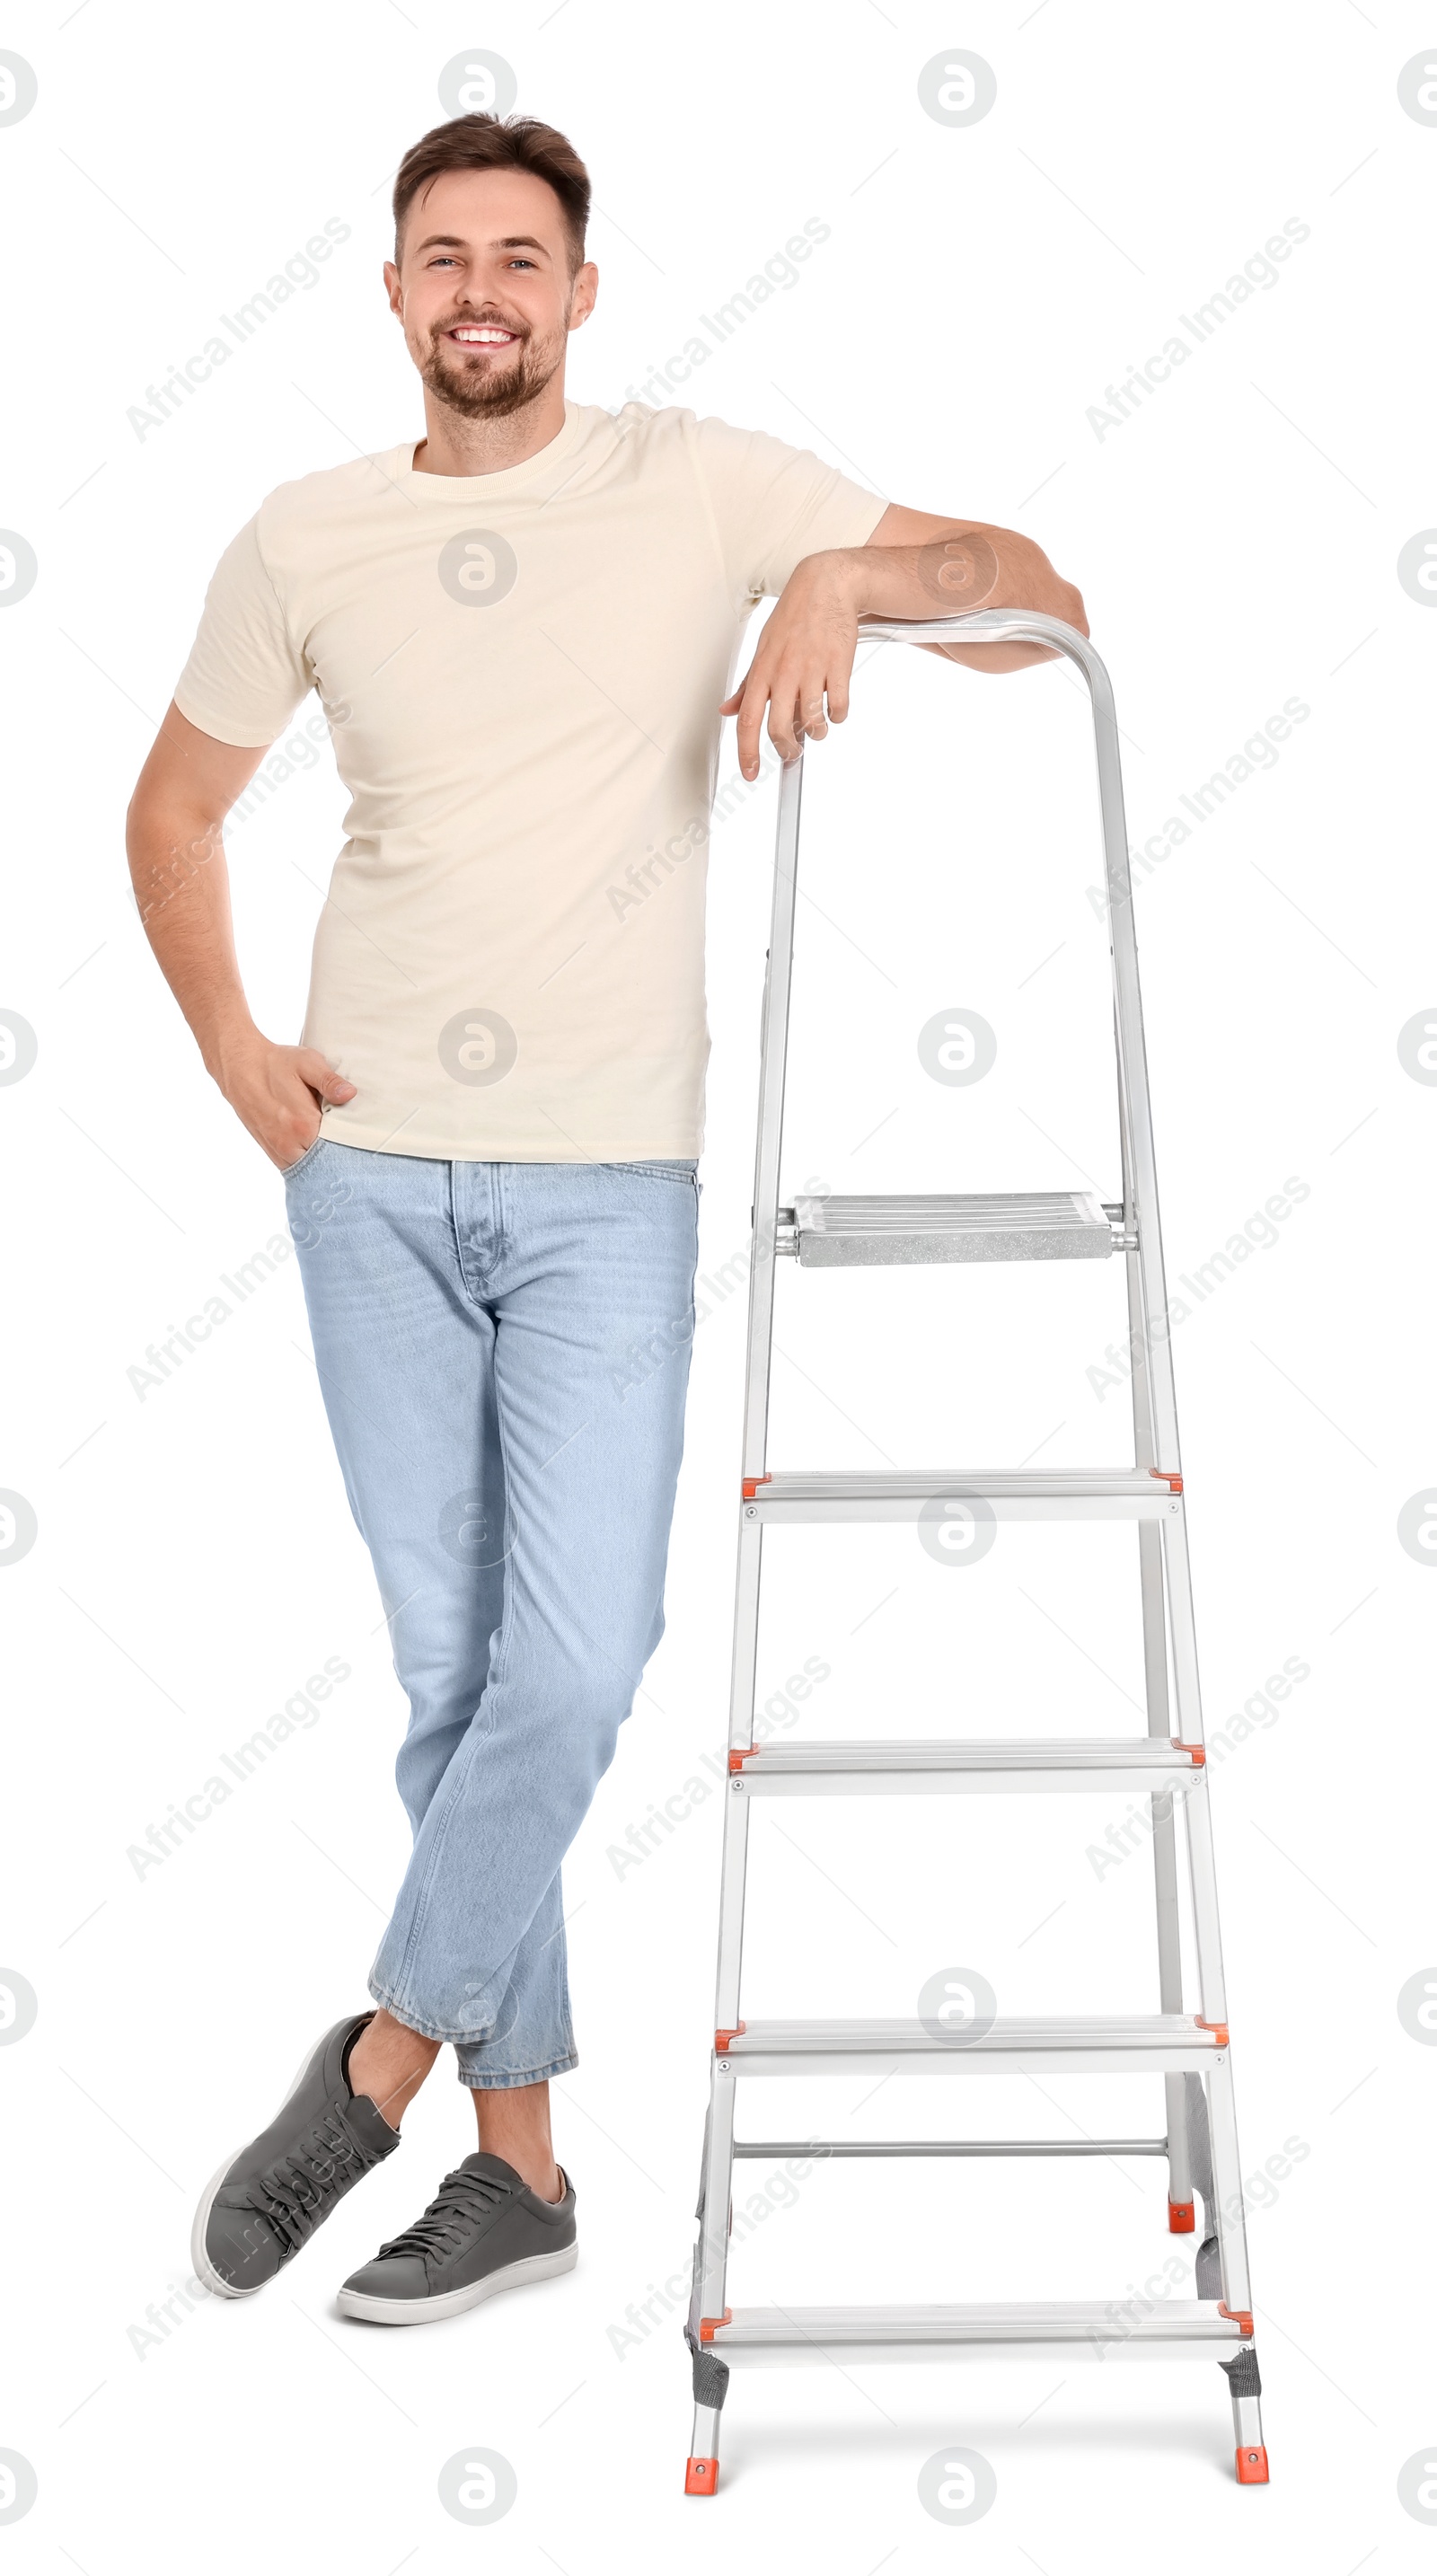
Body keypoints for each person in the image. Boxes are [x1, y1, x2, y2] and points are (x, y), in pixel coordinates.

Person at [127, 110, 1086, 2328]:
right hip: (360, 1178)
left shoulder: (702, 484)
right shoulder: (307, 535)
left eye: (522, 257)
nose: (481, 289)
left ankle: (369, 2068)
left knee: (570, 1663)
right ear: (390, 296)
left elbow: (1041, 603)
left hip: (601, 1192)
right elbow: (172, 808)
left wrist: (846, 577)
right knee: (461, 1681)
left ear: (578, 294)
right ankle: (528, 2175)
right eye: (441, 255)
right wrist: (227, 1051)